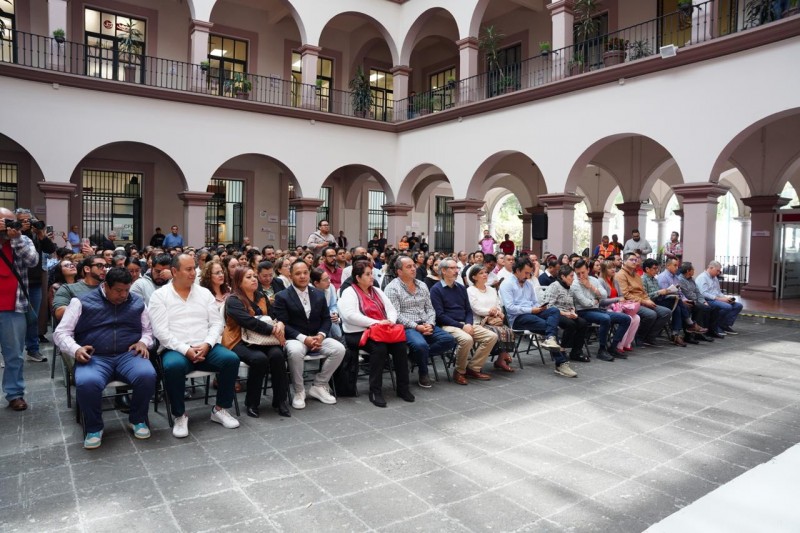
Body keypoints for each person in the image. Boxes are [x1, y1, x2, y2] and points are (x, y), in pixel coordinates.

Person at [53, 268, 156, 448]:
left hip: (128, 354)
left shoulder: (137, 302)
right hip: (95, 356)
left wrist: (143, 342)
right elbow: (61, 333)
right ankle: (94, 427)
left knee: (147, 375)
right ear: (106, 286)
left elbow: (148, 330)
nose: (123, 295)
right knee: (87, 382)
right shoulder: (81, 302)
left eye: (127, 290)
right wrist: (76, 349)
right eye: (118, 290)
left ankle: (138, 419)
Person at [149, 254, 241, 438]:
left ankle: (220, 409)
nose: (193, 273)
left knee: (231, 359)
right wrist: (186, 350)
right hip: (176, 349)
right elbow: (161, 332)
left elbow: (217, 323)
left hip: (205, 345)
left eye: (194, 269)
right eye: (188, 269)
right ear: (174, 271)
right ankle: (180, 415)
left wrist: (207, 344)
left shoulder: (204, 293)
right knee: (172, 366)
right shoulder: (160, 296)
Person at [339, 261, 415, 407]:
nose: (372, 277)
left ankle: (403, 388)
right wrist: (376, 322)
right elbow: (349, 316)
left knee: (400, 346)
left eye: (372, 273)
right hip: (357, 332)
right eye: (367, 274)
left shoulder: (376, 290)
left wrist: (390, 321)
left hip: (381, 330)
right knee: (379, 348)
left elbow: (391, 310)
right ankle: (375, 391)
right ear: (358, 277)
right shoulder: (349, 292)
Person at [271, 260, 344, 409]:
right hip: (295, 338)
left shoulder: (318, 294)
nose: (302, 276)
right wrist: (304, 339)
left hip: (317, 337)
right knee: (295, 351)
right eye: (298, 273)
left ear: (309, 274)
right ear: (291, 275)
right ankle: (299, 391)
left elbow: (326, 318)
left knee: (339, 349)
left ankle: (319, 384)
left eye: (305, 272)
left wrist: (321, 335)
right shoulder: (282, 296)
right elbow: (283, 323)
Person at [222, 266, 290, 418]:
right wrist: (273, 330)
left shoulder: (261, 296)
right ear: (239, 282)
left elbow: (273, 315)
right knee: (259, 359)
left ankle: (280, 401)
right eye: (248, 277)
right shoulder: (233, 300)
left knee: (278, 355)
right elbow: (248, 322)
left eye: (254, 276)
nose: (254, 279)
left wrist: (279, 323)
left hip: (262, 339)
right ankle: (252, 403)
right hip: (238, 340)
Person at [385, 256, 455, 388]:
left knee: (449, 340)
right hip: (407, 327)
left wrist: (430, 324)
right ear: (399, 271)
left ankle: (413, 357)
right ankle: (423, 373)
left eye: (413, 265)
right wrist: (417, 327)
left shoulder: (422, 285)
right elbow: (395, 315)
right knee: (421, 345)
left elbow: (430, 308)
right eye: (409, 267)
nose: (413, 269)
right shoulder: (392, 288)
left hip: (426, 323)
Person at [499, 257, 576, 378]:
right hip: (518, 318)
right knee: (549, 326)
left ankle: (550, 339)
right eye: (526, 273)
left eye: (529, 273)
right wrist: (531, 310)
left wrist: (539, 308)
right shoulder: (507, 284)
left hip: (533, 312)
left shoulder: (528, 284)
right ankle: (560, 363)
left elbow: (534, 302)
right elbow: (510, 308)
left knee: (554, 311)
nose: (528, 276)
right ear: (517, 270)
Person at [430, 258, 497, 385]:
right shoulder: (436, 289)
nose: (456, 271)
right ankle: (459, 371)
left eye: (457, 268)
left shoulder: (461, 288)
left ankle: (473, 368)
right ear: (443, 271)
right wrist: (462, 326)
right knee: (467, 339)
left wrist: (468, 324)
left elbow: (468, 310)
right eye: (453, 268)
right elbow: (440, 316)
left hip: (465, 323)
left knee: (491, 336)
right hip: (448, 325)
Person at [0, 209, 39, 410]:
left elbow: (33, 261)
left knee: (14, 354)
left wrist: (16, 239)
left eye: (9, 221)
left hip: (13, 308)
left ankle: (14, 394)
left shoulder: (23, 241)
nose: (5, 225)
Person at [570, 259, 630, 361]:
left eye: (583, 273)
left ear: (588, 270)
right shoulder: (575, 284)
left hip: (596, 310)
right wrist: (597, 300)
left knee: (626, 319)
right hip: (583, 312)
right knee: (605, 318)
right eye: (578, 273)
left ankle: (613, 347)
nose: (581, 276)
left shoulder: (594, 280)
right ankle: (602, 349)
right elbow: (585, 303)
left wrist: (591, 287)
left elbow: (604, 295)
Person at [615, 253, 672, 347]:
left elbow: (643, 292)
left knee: (666, 312)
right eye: (631, 260)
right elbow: (626, 295)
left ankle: (650, 337)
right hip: (630, 303)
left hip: (642, 301)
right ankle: (639, 337)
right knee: (651, 314)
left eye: (635, 260)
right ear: (624, 262)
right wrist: (644, 301)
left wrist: (648, 300)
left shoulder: (637, 275)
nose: (634, 262)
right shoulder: (620, 275)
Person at [467, 264, 516, 373]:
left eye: (486, 272)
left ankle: (500, 360)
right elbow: (476, 308)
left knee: (509, 331)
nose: (485, 275)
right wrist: (490, 311)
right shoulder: (470, 290)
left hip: (494, 319)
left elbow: (498, 304)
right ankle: (499, 356)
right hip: (480, 320)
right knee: (498, 332)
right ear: (474, 277)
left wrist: (497, 311)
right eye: (481, 273)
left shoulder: (491, 289)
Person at [542, 265, 590, 364]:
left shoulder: (570, 288)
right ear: (563, 276)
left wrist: (572, 312)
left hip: (567, 313)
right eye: (571, 276)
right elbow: (549, 306)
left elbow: (571, 305)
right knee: (570, 324)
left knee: (583, 323)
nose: (573, 279)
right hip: (555, 314)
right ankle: (562, 349)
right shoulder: (554, 286)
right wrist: (565, 313)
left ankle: (576, 351)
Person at [656, 257, 707, 344]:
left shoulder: (676, 278)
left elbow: (680, 292)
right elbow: (664, 294)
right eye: (675, 265)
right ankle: (690, 325)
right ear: (668, 266)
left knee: (686, 307)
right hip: (663, 301)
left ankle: (678, 334)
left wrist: (685, 300)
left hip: (676, 302)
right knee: (680, 304)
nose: (677, 268)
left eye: (677, 266)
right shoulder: (663, 277)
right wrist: (681, 300)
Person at [598, 260, 640, 352]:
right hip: (606, 308)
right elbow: (601, 302)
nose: (613, 269)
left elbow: (621, 296)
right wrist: (617, 300)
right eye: (610, 268)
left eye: (614, 267)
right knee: (628, 318)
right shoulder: (600, 281)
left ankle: (626, 343)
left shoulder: (615, 281)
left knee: (637, 318)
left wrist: (626, 301)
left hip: (618, 307)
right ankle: (618, 345)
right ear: (604, 270)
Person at [696, 260, 743, 336]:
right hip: (707, 300)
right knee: (727, 307)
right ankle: (716, 326)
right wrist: (720, 299)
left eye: (719, 271)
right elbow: (703, 294)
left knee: (738, 306)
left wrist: (726, 298)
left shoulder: (715, 278)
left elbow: (718, 292)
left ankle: (724, 325)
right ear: (711, 268)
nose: (718, 273)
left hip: (716, 299)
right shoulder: (702, 277)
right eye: (717, 271)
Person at [677, 262, 720, 341]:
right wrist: (697, 300)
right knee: (701, 308)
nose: (694, 271)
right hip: (688, 301)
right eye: (693, 269)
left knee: (711, 307)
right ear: (688, 271)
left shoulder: (692, 279)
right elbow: (687, 294)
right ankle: (693, 334)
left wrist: (703, 301)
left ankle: (707, 331)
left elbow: (698, 292)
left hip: (695, 300)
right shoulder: (680, 280)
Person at [311, 267, 343, 341]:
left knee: (338, 335)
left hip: (329, 315)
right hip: (316, 320)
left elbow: (333, 305)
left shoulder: (330, 287)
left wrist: (334, 313)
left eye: (328, 278)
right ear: (316, 283)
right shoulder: (310, 291)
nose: (329, 281)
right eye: (325, 280)